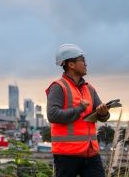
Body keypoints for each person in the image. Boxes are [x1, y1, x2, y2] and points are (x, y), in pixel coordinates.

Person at [46, 44, 110, 177]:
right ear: (71, 64)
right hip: (67, 155)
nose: (86, 64)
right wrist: (80, 109)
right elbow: (52, 115)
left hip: (91, 152)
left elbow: (102, 117)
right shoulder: (58, 87)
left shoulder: (89, 88)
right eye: (83, 60)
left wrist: (104, 113)